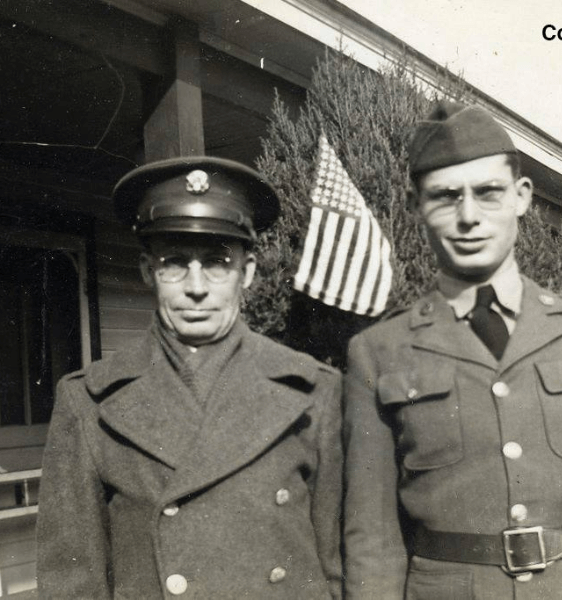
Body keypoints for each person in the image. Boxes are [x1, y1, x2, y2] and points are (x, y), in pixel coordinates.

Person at [343, 101, 562, 599]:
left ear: (522, 196)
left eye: (488, 193)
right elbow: (373, 538)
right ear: (414, 206)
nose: (469, 217)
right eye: (445, 197)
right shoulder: (379, 352)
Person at [37, 157, 342, 598]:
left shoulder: (313, 390)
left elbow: (335, 566)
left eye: (217, 263)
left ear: (247, 273)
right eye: (175, 263)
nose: (196, 287)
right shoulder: (89, 400)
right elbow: (72, 582)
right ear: (149, 272)